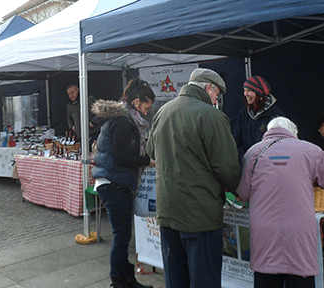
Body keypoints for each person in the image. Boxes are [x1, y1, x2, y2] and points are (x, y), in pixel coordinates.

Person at [146, 68, 241, 288]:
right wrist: (242, 192)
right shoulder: (212, 116)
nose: (217, 100)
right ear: (209, 88)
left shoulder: (163, 111)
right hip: (200, 215)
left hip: (168, 211)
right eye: (217, 95)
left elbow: (151, 152)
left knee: (176, 278)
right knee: (204, 279)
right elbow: (227, 167)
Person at [237, 117, 324, 288]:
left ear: (268, 131)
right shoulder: (309, 150)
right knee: (299, 277)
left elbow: (243, 193)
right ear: (293, 132)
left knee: (266, 278)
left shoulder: (252, 152)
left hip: (264, 232)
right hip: (299, 231)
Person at [91, 78, 156, 288]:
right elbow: (122, 159)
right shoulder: (123, 123)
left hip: (112, 182)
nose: (146, 113)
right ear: (137, 103)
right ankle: (119, 281)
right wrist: (148, 161)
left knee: (123, 236)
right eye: (146, 107)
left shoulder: (121, 120)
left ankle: (127, 279)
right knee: (121, 237)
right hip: (113, 184)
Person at [232, 75, 284, 162]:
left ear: (260, 94)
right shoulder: (244, 113)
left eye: (249, 91)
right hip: (249, 161)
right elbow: (236, 138)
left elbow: (280, 144)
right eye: (245, 90)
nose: (245, 94)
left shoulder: (276, 114)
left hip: (268, 163)